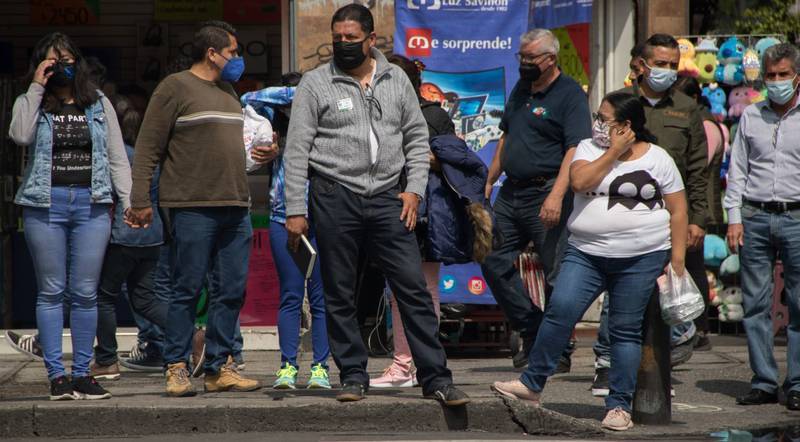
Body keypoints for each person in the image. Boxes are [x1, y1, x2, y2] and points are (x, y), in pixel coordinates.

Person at [283, 4, 469, 406]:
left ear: (370, 39)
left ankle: (436, 377)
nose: (343, 45)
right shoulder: (316, 83)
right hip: (334, 196)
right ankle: (353, 374)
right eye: (337, 38)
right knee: (340, 291)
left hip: (389, 198)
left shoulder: (396, 78)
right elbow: (296, 151)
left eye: (351, 38)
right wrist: (295, 209)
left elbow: (417, 139)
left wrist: (414, 189)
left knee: (412, 288)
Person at [492, 91, 688, 431]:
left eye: (605, 119)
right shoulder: (588, 148)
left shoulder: (658, 158)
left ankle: (619, 407)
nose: (597, 123)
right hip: (586, 253)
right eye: (597, 116)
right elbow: (580, 182)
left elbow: (679, 210)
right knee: (561, 310)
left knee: (624, 330)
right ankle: (531, 384)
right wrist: (613, 151)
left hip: (641, 257)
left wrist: (678, 260)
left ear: (627, 126)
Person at [127, 20, 263, 397]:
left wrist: (262, 155)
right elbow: (148, 149)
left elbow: (227, 150)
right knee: (187, 290)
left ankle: (219, 368)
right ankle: (176, 366)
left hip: (235, 206)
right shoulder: (174, 87)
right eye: (233, 52)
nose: (237, 59)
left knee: (231, 291)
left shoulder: (229, 92)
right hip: (191, 207)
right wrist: (140, 200)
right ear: (212, 53)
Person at [9, 32, 132, 400]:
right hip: (44, 205)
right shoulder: (33, 102)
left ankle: (82, 373)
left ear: (77, 62)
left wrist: (128, 203)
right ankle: (56, 377)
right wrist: (35, 86)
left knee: (84, 293)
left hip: (91, 204)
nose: (60, 67)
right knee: (51, 292)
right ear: (40, 65)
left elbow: (116, 156)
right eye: (51, 61)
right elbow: (19, 135)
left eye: (66, 59)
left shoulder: (98, 104)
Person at [590, 34, 709, 396]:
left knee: (661, 294)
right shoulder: (618, 103)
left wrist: (697, 220)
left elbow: (698, 169)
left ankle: (657, 369)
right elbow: (598, 149)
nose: (667, 71)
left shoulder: (688, 108)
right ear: (641, 65)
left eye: (673, 65)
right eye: (661, 63)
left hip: (669, 215)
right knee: (618, 294)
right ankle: (606, 365)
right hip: (624, 211)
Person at [481, 28, 592, 369]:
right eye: (521, 57)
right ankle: (532, 328)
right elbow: (507, 136)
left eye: (530, 59)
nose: (524, 64)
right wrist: (489, 179)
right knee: (490, 258)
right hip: (511, 192)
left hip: (547, 192)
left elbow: (576, 149)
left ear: (550, 59)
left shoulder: (570, 95)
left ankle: (556, 351)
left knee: (556, 275)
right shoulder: (521, 89)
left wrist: (558, 196)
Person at [241, 72, 332, 390]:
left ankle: (320, 368)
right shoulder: (277, 130)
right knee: (291, 296)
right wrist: (299, 92)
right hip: (282, 217)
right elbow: (248, 98)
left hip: (325, 218)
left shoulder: (328, 125)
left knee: (322, 299)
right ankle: (287, 367)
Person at [370, 54, 455, 388]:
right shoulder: (389, 112)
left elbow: (449, 160)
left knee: (420, 290)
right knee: (403, 290)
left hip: (422, 212)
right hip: (394, 209)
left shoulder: (432, 115)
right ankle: (410, 365)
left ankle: (412, 364)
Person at [724, 43, 800, 412]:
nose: (776, 81)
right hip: (754, 216)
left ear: (796, 77)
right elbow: (737, 169)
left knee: (799, 304)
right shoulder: (751, 116)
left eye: (783, 75)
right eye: (770, 75)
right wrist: (734, 217)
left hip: (797, 217)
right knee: (754, 304)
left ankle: (798, 382)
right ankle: (764, 381)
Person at [91, 97, 167, 381]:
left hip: (123, 236)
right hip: (152, 235)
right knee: (146, 300)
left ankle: (107, 359)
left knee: (104, 297)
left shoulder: (118, 154)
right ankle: (190, 334)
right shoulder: (152, 157)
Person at [673, 75, 727, 350]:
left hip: (695, 207)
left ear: (693, 99)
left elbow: (693, 168)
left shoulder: (703, 125)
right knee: (694, 266)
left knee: (692, 267)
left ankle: (697, 326)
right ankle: (697, 326)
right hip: (701, 204)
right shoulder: (714, 124)